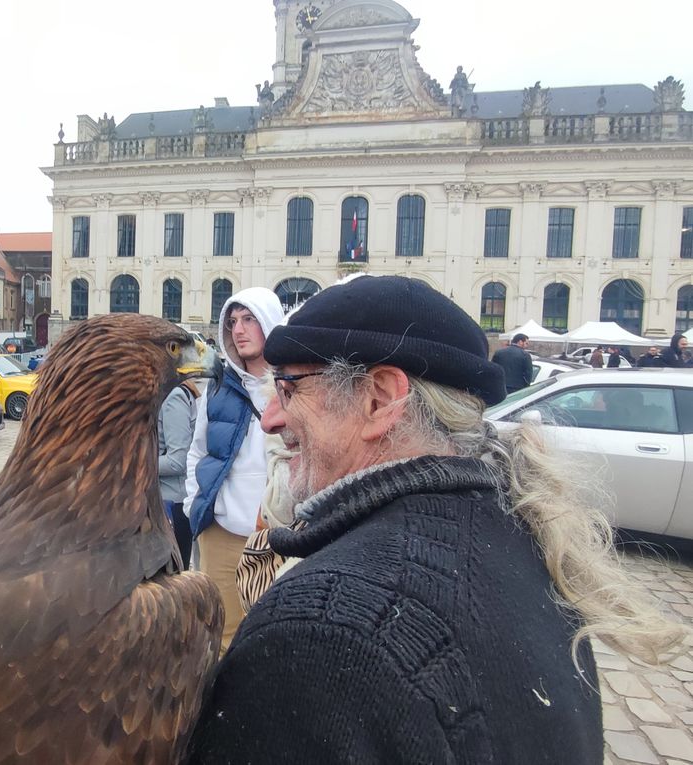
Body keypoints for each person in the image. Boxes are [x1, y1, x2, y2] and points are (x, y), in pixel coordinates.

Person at [186, 275, 685, 764]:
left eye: (291, 388)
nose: (271, 418)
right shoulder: (524, 536)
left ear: (379, 399)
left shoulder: (319, 628)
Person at [184, 287, 284, 652]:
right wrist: (195, 503)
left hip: (276, 536)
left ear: (270, 323)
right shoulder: (217, 389)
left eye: (249, 319)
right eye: (232, 321)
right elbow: (198, 452)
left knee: (272, 634)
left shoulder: (294, 385)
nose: (238, 330)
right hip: (222, 532)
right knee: (220, 635)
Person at [158, 380, 200, 569]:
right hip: (167, 503)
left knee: (172, 579)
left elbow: (177, 461)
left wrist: (132, 465)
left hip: (173, 506)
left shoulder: (171, 397)